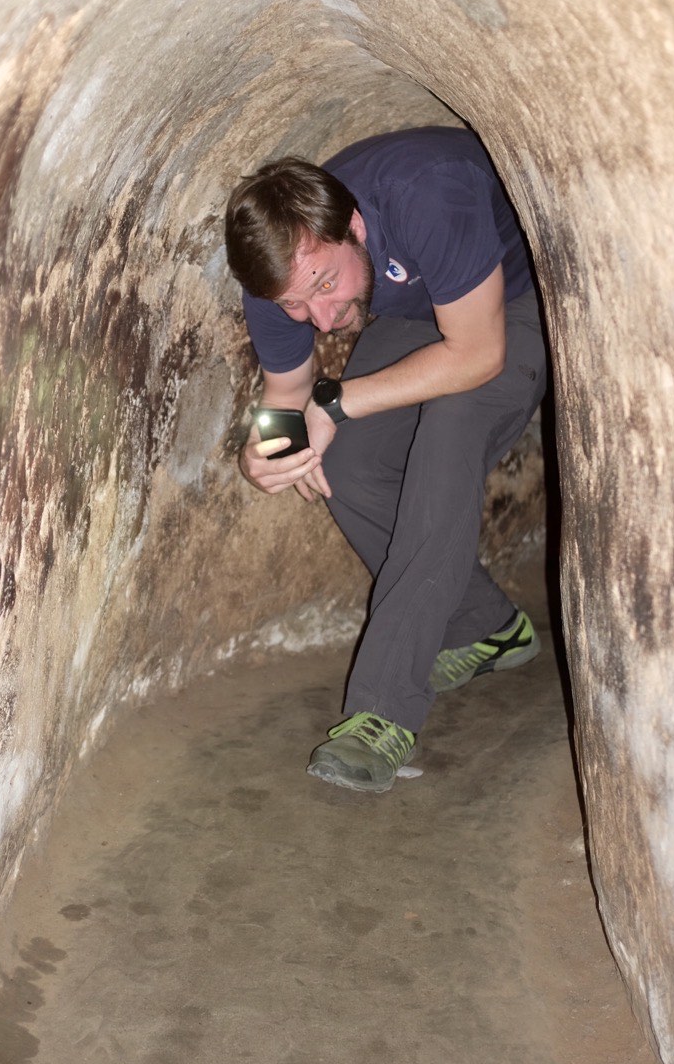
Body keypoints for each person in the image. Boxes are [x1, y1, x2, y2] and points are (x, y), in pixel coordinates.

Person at [224, 126, 548, 794]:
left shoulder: (424, 191)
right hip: (420, 313)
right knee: (344, 467)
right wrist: (270, 455)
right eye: (295, 304)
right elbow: (287, 395)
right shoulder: (279, 274)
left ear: (352, 226)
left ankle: (381, 712)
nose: (318, 317)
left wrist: (337, 403)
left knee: (447, 434)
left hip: (512, 301)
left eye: (324, 284)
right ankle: (489, 629)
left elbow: (478, 354)